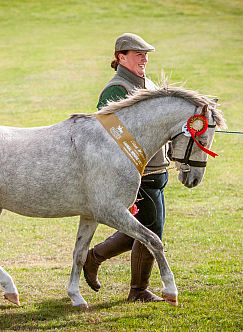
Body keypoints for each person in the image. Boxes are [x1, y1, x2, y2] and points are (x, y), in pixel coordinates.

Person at [84, 33, 170, 302]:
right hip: (138, 174)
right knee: (150, 230)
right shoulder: (117, 89)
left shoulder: (148, 83)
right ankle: (138, 291)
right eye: (138, 53)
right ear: (121, 57)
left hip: (157, 171)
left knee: (142, 227)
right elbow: (107, 130)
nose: (144, 58)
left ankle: (93, 257)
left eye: (146, 54)